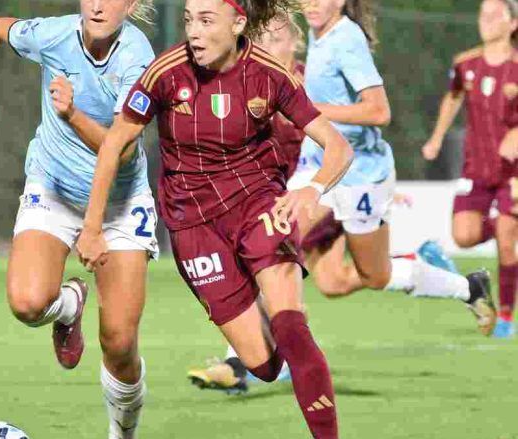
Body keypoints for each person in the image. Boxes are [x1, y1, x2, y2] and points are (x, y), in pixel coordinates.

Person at [76, 0, 354, 436]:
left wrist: (311, 187)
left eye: (206, 21)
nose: (194, 32)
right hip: (193, 224)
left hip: (258, 201)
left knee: (291, 323)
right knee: (262, 364)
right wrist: (92, 228)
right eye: (189, 20)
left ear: (239, 23)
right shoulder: (165, 72)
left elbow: (338, 146)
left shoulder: (270, 74)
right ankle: (272, 309)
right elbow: (115, 144)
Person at [185, 10, 473, 395]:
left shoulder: (304, 82)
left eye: (275, 40)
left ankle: (241, 364)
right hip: (297, 191)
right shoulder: (250, 82)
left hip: (320, 191)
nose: (266, 47)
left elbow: (361, 120)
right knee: (338, 281)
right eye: (262, 40)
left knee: (265, 251)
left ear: (294, 43)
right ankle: (458, 283)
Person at [0, 1, 157, 437]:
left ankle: (122, 434)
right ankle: (69, 304)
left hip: (119, 204)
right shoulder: (53, 34)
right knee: (28, 304)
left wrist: (72, 114)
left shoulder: (138, 61)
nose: (99, 5)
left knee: (119, 344)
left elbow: (120, 152)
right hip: (53, 187)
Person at [297, 0, 496, 332]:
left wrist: (309, 109)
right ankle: (257, 357)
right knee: (321, 274)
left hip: (360, 174)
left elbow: (378, 112)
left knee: (375, 276)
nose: (311, 3)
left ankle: (467, 287)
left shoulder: (346, 40)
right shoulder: (318, 30)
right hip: (322, 164)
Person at [423, 0, 518, 339]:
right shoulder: (466, 63)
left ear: (513, 24)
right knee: (463, 236)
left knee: (507, 239)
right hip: (475, 168)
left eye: (496, 15)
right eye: (483, 14)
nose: (487, 20)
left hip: (513, 173)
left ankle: (506, 316)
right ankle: (482, 275)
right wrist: (436, 137)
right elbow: (452, 98)